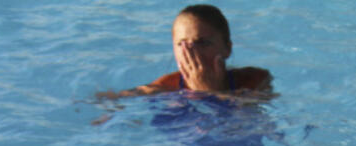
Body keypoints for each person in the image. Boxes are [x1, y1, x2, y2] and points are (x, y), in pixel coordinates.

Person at [100, 4, 272, 100]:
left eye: (203, 43)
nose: (192, 53)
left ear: (227, 49)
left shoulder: (254, 79)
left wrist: (209, 91)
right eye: (182, 44)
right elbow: (119, 98)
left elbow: (253, 121)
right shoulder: (167, 86)